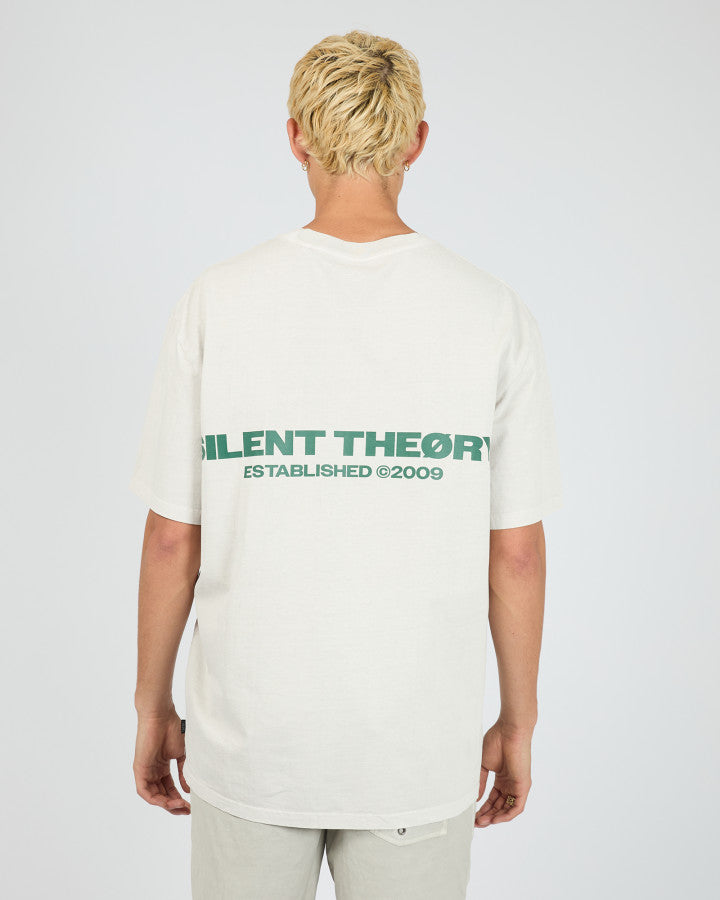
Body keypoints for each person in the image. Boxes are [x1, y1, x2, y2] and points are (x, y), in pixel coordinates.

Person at [130, 29, 563, 900]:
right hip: (415, 749)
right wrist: (518, 723)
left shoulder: (217, 302)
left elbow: (174, 538)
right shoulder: (491, 313)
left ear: (295, 137)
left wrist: (153, 707)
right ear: (416, 141)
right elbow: (515, 552)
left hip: (252, 747)